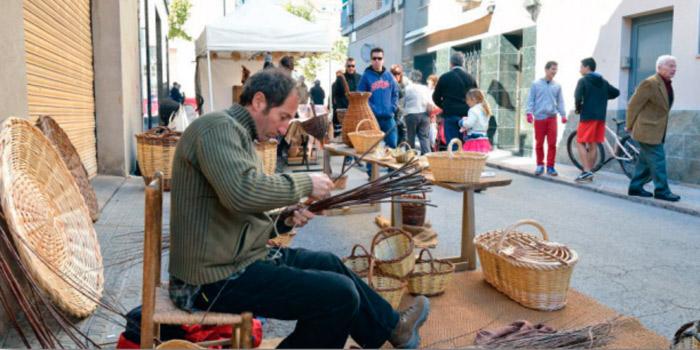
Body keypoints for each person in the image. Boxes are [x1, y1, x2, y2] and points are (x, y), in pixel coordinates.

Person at [168, 68, 430, 349]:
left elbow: (238, 215)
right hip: (208, 281)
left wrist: (285, 220)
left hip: (236, 259)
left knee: (329, 263)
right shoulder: (216, 128)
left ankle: (392, 328)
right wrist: (305, 182)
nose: (284, 129)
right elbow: (242, 193)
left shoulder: (237, 135)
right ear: (258, 102)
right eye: (283, 117)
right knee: (338, 297)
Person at [626, 55, 680, 202]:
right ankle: (662, 190)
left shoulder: (666, 84)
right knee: (658, 160)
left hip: (657, 130)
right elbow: (633, 105)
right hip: (647, 130)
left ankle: (635, 187)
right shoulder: (650, 83)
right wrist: (629, 125)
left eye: (675, 66)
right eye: (670, 65)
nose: (674, 69)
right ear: (659, 67)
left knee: (644, 162)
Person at [574, 57, 619, 183]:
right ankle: (589, 173)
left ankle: (586, 171)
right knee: (593, 144)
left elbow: (577, 97)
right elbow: (616, 92)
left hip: (588, 116)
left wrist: (578, 108)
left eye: (581, 66)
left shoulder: (583, 80)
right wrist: (602, 96)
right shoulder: (602, 81)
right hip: (600, 117)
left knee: (580, 142)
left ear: (587, 67)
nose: (580, 69)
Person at [526, 61, 568, 176]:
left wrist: (563, 115)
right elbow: (530, 99)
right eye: (553, 69)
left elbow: (560, 101)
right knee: (539, 143)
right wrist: (528, 113)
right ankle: (540, 165)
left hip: (552, 118)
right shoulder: (536, 84)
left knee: (552, 143)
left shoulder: (557, 86)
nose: (554, 71)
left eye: (556, 69)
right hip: (539, 118)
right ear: (546, 69)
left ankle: (550, 167)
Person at [433, 52, 478, 150]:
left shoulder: (445, 77)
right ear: (463, 63)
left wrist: (444, 106)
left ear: (451, 63)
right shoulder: (471, 78)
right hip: (466, 116)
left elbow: (435, 97)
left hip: (450, 115)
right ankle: (462, 165)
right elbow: (476, 97)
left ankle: (454, 164)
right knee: (465, 145)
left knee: (453, 145)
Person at [358, 47, 400, 149]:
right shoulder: (365, 76)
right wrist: (371, 109)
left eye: (379, 58)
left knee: (392, 145)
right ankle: (370, 166)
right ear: (371, 60)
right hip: (372, 118)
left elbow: (395, 93)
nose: (377, 61)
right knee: (371, 148)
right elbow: (361, 96)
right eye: (374, 58)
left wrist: (392, 108)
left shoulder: (389, 76)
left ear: (383, 60)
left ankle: (389, 166)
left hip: (388, 117)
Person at [403, 70, 434, 155]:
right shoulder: (425, 88)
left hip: (411, 115)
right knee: (424, 138)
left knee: (410, 137)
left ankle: (409, 158)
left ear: (411, 78)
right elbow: (430, 103)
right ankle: (427, 158)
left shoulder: (408, 88)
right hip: (424, 115)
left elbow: (404, 103)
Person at [332, 57, 362, 136]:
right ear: (346, 67)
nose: (351, 68)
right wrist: (337, 107)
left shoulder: (360, 78)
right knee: (342, 134)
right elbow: (336, 94)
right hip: (343, 110)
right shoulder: (340, 78)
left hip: (355, 110)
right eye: (349, 66)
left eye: (353, 66)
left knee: (354, 133)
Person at [459, 88, 492, 153]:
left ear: (474, 99)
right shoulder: (484, 109)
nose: (467, 102)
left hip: (474, 140)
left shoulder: (473, 110)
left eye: (468, 99)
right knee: (480, 160)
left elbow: (469, 124)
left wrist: (462, 122)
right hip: (484, 139)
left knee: (471, 159)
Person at [391, 64, 408, 144]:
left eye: (398, 73)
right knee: (395, 141)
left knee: (402, 140)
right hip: (393, 116)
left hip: (401, 117)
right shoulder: (391, 84)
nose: (396, 76)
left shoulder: (402, 85)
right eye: (394, 73)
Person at [426, 74, 442, 151]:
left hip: (434, 116)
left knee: (433, 135)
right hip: (430, 115)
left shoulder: (434, 92)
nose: (428, 84)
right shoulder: (428, 91)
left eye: (429, 82)